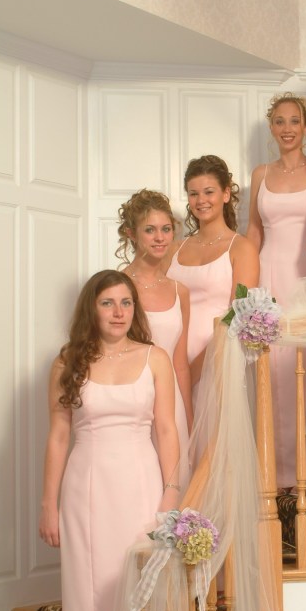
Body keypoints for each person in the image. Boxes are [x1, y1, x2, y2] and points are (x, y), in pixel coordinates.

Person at [38, 270, 180, 611]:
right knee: (89, 607)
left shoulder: (155, 358)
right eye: (107, 303)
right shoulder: (68, 361)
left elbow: (166, 429)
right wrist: (48, 503)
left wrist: (171, 492)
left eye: (126, 302)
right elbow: (59, 435)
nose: (118, 312)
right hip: (86, 491)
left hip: (141, 487)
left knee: (137, 605)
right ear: (91, 309)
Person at [246, 93, 306, 487]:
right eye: (279, 121)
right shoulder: (260, 174)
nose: (287, 128)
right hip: (269, 277)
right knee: (273, 373)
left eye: (294, 121)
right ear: (271, 128)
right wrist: (245, 292)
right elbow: (253, 232)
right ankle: (274, 473)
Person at [116, 189, 192, 489]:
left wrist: (189, 420)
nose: (160, 238)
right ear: (131, 234)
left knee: (174, 488)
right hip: (133, 400)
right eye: (150, 230)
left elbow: (180, 364)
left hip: (172, 404)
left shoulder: (179, 291)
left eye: (166, 229)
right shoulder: (118, 286)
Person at [166, 155, 259, 393]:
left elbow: (236, 316)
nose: (201, 201)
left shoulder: (242, 249)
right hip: (171, 360)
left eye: (209, 192)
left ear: (226, 194)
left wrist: (193, 372)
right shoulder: (175, 249)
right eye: (193, 193)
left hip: (216, 361)